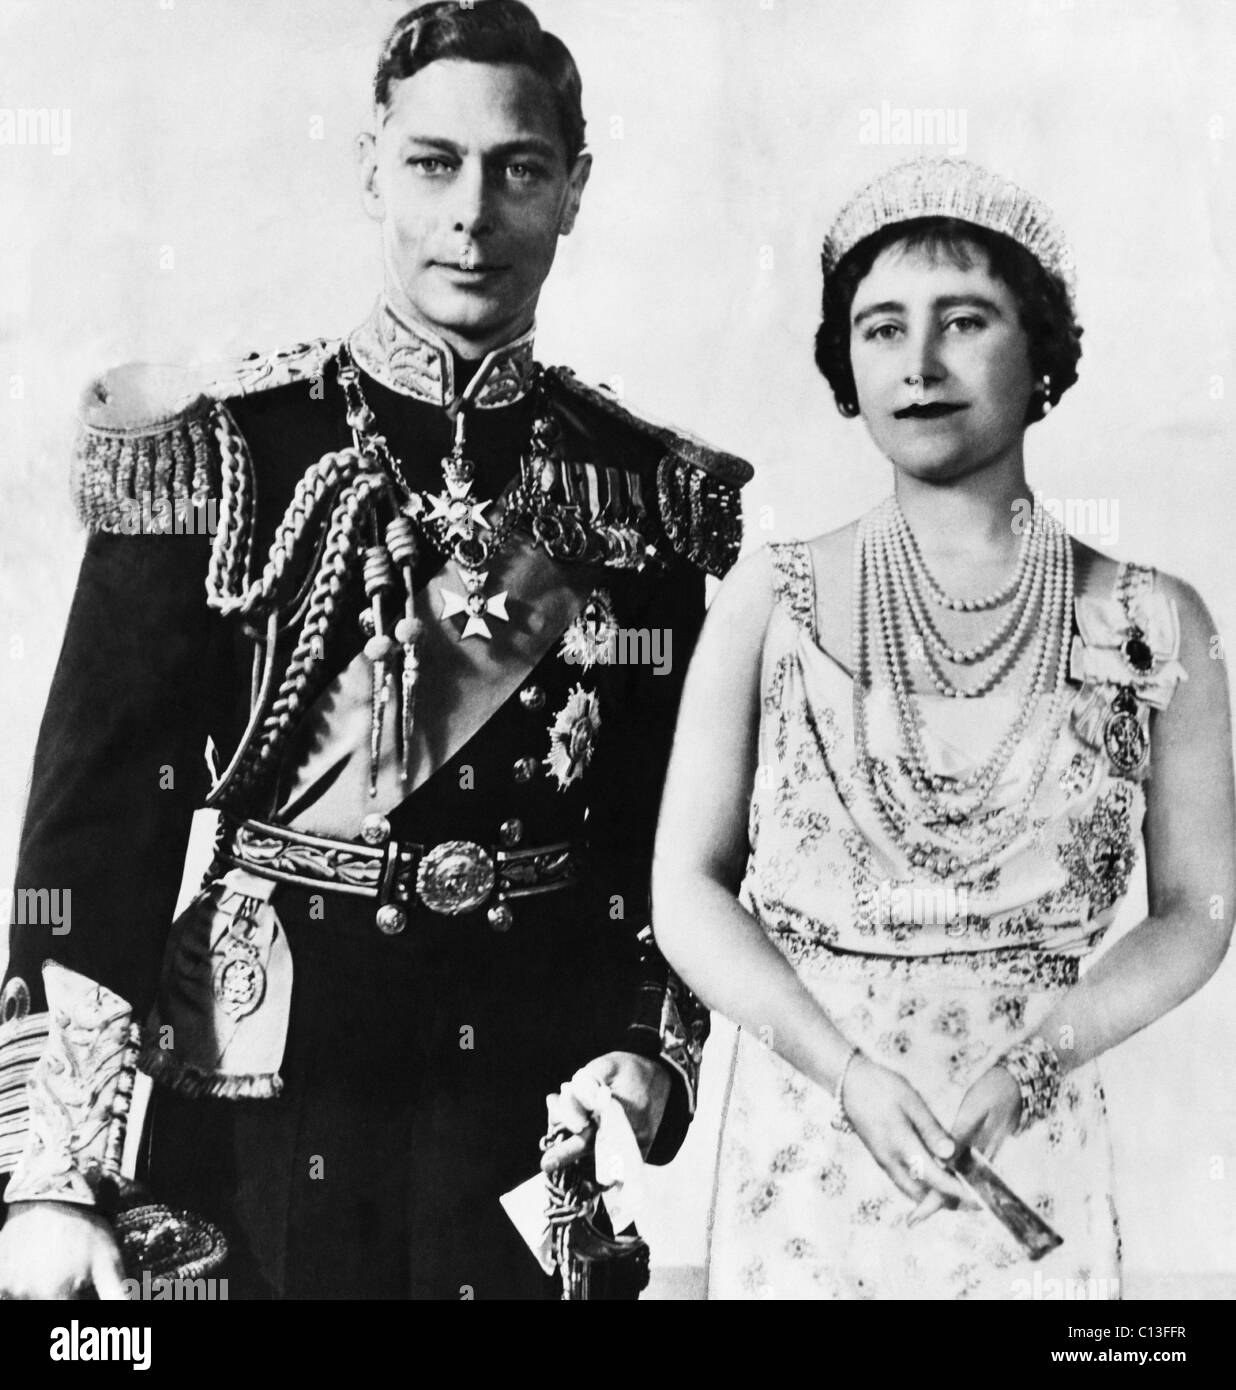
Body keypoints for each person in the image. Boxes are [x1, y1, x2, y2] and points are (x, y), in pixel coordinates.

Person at [0, 0, 749, 1300]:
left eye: (518, 168)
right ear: (369, 171)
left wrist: (648, 1045)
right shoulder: (222, 451)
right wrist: (55, 1182)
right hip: (259, 1098)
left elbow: (667, 831)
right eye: (433, 164)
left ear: (574, 189)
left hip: (523, 1122)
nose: (473, 214)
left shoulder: (640, 494)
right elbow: (99, 828)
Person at [652, 156, 1235, 1300]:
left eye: (964, 321)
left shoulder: (1152, 621)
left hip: (1029, 1146)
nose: (917, 367)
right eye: (880, 330)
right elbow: (685, 891)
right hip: (809, 1144)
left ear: (1043, 352)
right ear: (845, 364)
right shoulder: (770, 602)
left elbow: (1199, 912)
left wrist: (1034, 1066)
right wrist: (846, 1070)